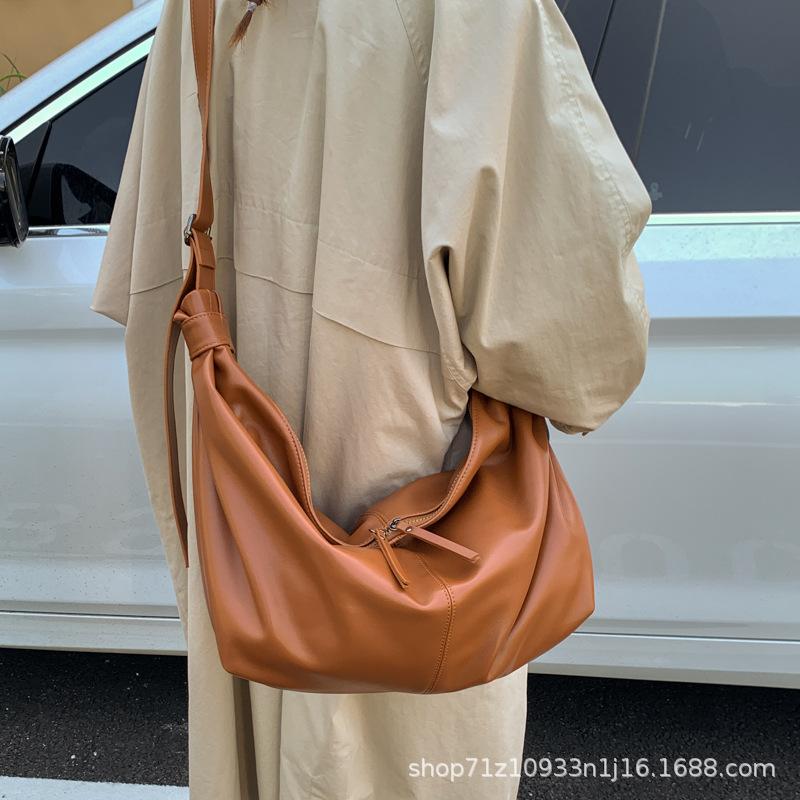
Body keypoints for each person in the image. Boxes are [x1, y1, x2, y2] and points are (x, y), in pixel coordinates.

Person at [91, 0, 652, 797]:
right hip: (410, 562)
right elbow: (587, 354)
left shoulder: (193, 10)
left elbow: (150, 282)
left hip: (239, 551)